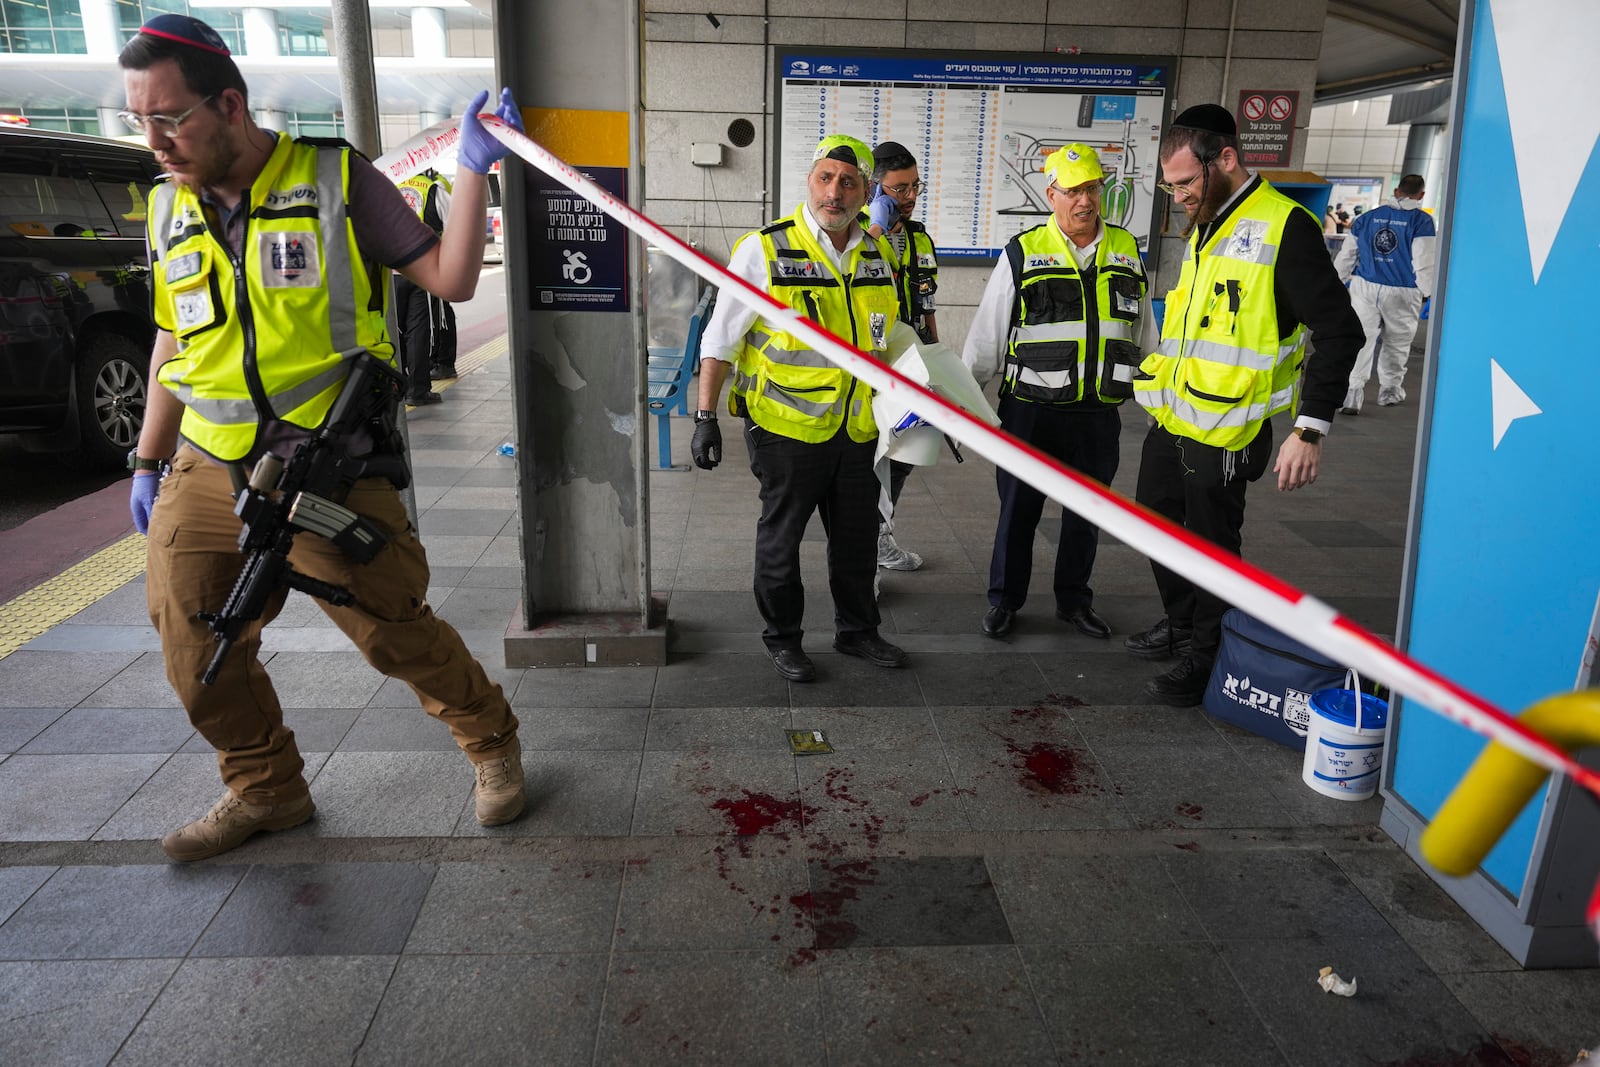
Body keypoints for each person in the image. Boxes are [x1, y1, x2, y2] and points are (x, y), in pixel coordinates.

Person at [119, 14, 528, 861]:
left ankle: (491, 739)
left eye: (170, 118)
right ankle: (265, 786)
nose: (155, 140)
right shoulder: (166, 207)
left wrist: (472, 170)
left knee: (391, 627)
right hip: (206, 457)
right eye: (139, 121)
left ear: (228, 103)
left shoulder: (338, 176)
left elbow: (449, 279)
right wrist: (150, 459)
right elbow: (171, 340)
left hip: (327, 463)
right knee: (195, 642)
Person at [1127, 103, 1363, 706]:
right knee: (1154, 523)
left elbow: (1340, 332)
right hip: (1175, 416)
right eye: (1169, 184)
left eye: (1184, 182)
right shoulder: (1208, 221)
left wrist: (1308, 429)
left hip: (1230, 427)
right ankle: (1183, 627)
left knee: (1211, 546)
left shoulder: (1286, 228)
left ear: (1226, 159)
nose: (1176, 195)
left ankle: (1207, 659)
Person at [691, 134, 909, 683]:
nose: (834, 191)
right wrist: (705, 416)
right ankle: (783, 638)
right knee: (781, 542)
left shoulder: (878, 254)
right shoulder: (764, 249)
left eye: (848, 181)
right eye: (824, 177)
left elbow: (887, 341)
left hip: (859, 430)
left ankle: (858, 630)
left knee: (858, 542)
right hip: (786, 430)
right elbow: (720, 338)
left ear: (866, 191)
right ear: (810, 181)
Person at [962, 143, 1146, 641]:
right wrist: (965, 408)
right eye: (1072, 191)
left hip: (1098, 411)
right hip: (1029, 410)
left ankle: (1074, 601)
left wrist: (1158, 404)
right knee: (1018, 509)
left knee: (1087, 512)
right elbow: (986, 338)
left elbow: (1143, 335)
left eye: (1091, 189)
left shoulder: (1127, 251)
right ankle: (1005, 601)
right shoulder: (1023, 252)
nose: (1083, 201)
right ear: (1052, 194)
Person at [864, 140, 939, 574]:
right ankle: (866, 556)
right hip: (871, 369)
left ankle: (880, 534)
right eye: (898, 189)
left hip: (912, 366)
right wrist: (875, 228)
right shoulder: (857, 233)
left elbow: (927, 308)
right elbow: (848, 273)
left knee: (907, 455)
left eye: (916, 187)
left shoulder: (920, 238)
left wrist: (937, 363)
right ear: (874, 189)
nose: (910, 197)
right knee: (870, 460)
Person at [1333, 173, 1436, 411]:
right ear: (1421, 195)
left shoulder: (1367, 218)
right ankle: (1389, 391)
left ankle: (1352, 394)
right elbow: (1424, 262)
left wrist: (1337, 283)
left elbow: (1346, 256)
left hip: (1364, 287)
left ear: (1397, 191)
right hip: (1403, 290)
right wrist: (1430, 293)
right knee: (1397, 342)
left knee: (1361, 339)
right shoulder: (1422, 222)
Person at [393, 167, 458, 404]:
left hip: (392, 273)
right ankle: (417, 391)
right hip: (424, 272)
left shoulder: (391, 187)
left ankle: (396, 385)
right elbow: (455, 227)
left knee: (394, 330)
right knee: (418, 332)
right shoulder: (434, 189)